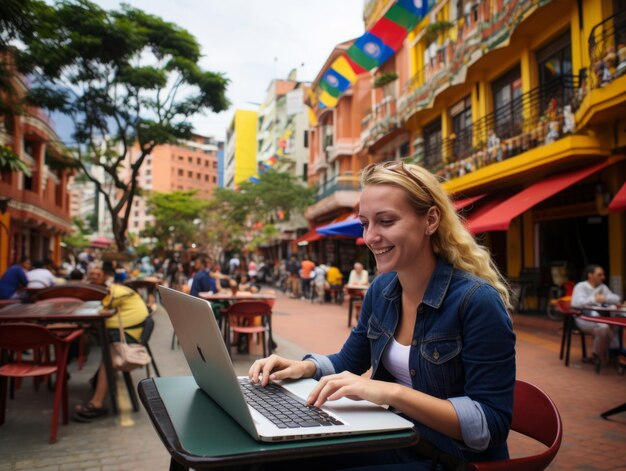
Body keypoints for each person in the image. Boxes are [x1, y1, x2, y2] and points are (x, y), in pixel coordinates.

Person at [249, 161, 515, 469]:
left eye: (386, 221)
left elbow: (490, 423)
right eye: (365, 223)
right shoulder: (382, 289)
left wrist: (390, 392)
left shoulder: (476, 301)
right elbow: (348, 362)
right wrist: (302, 366)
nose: (370, 237)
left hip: (448, 457)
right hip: (394, 438)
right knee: (263, 458)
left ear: (430, 220)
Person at [73, 266, 148, 422]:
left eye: (97, 274)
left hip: (127, 334)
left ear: (105, 276)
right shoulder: (106, 291)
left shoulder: (112, 291)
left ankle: (98, 402)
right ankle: (98, 383)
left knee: (105, 351)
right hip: (126, 330)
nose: (93, 276)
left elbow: (100, 310)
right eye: (91, 273)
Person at [571, 264, 622, 365]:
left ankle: (601, 355)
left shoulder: (602, 287)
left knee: (613, 326)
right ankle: (603, 355)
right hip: (584, 319)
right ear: (590, 275)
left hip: (600, 318)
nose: (603, 277)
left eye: (603, 275)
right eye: (599, 275)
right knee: (604, 328)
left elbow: (616, 298)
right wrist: (594, 299)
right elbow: (576, 303)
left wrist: (604, 298)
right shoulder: (581, 286)